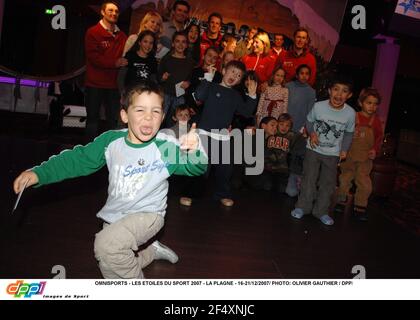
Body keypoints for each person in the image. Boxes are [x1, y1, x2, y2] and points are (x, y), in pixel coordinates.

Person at [13, 82, 208, 279]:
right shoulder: (110, 141)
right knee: (109, 261)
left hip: (149, 215)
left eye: (156, 111)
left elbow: (195, 168)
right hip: (116, 214)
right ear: (124, 115)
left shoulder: (166, 146)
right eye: (140, 110)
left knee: (106, 246)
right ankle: (149, 251)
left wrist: (194, 150)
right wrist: (39, 173)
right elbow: (78, 159)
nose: (148, 117)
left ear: (163, 117)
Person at [290, 75, 355, 226]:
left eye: (344, 91)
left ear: (349, 95)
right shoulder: (319, 106)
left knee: (328, 183)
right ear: (329, 91)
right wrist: (312, 133)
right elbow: (309, 121)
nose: (339, 94)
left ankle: (321, 211)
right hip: (313, 149)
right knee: (309, 179)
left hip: (333, 154)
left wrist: (344, 149)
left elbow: (349, 133)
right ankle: (302, 207)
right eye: (336, 90)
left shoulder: (350, 113)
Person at [194, 60, 258, 206]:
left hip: (222, 138)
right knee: (200, 168)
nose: (234, 76)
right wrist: (208, 78)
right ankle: (191, 193)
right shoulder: (211, 86)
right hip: (204, 135)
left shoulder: (235, 96)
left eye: (238, 75)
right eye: (232, 71)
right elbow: (199, 96)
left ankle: (222, 194)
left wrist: (252, 95)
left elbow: (247, 112)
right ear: (223, 71)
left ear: (240, 81)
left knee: (225, 169)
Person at [335, 87, 383, 221]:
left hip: (365, 158)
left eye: (375, 104)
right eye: (369, 102)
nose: (372, 106)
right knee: (344, 179)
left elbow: (379, 138)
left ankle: (360, 207)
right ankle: (341, 201)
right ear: (361, 103)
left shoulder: (376, 121)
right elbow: (343, 134)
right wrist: (341, 149)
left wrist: (375, 150)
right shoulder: (353, 116)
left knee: (365, 184)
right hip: (349, 156)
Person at [84, 1, 127, 140]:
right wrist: (115, 63)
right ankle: (89, 153)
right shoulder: (93, 32)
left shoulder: (122, 36)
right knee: (92, 120)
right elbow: (94, 58)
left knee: (112, 120)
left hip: (114, 85)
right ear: (102, 12)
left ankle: (110, 150)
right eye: (110, 10)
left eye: (116, 11)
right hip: (94, 84)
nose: (114, 13)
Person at [284, 64, 316, 197]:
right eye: (301, 73)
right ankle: (281, 180)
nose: (304, 76)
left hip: (300, 129)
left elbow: (310, 112)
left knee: (296, 155)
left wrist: (306, 129)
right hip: (285, 126)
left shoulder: (311, 91)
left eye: (307, 73)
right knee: (283, 152)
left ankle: (293, 181)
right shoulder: (288, 86)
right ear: (297, 74)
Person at [158, 31, 194, 126]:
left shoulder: (189, 62)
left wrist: (188, 83)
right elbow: (158, 77)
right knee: (160, 118)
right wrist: (162, 78)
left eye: (183, 42)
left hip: (180, 95)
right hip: (165, 94)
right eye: (177, 41)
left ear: (187, 45)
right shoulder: (166, 59)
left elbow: (191, 78)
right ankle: (155, 137)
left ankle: (179, 139)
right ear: (173, 44)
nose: (180, 44)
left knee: (181, 122)